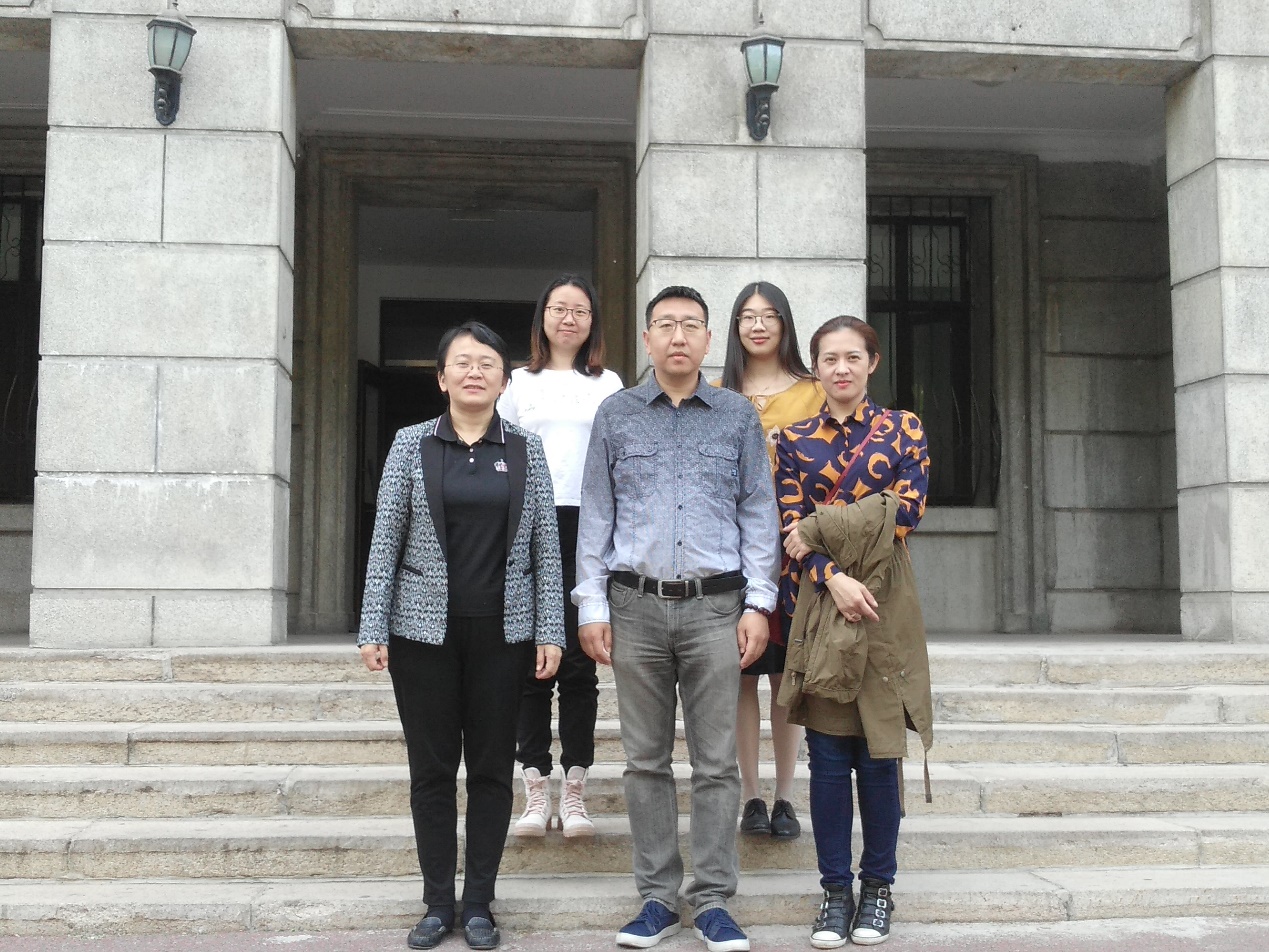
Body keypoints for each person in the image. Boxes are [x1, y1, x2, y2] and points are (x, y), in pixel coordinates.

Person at [575, 285, 780, 952]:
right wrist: (592, 605)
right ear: (647, 337)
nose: (678, 336)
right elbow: (596, 513)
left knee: (717, 763)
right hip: (633, 607)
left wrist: (759, 604)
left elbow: (758, 512)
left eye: (691, 324)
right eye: (665, 324)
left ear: (707, 338)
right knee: (645, 761)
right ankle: (657, 898)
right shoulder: (616, 414)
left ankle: (714, 899)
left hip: (716, 608)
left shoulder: (736, 415)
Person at [358, 321, 565, 951]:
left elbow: (545, 549)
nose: (475, 372)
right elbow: (385, 540)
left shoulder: (526, 449)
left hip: (504, 635)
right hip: (422, 635)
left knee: (492, 771)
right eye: (463, 363)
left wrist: (550, 629)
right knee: (431, 770)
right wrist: (373, 625)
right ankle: (436, 903)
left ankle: (478, 903)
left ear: (504, 381)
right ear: (442, 377)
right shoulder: (411, 444)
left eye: (487, 364)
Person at [773, 316, 933, 949]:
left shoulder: (904, 429)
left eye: (852, 358)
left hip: (886, 605)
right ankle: (835, 892)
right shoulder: (792, 439)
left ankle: (879, 889)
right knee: (830, 757)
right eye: (829, 359)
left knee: (879, 753)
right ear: (815, 367)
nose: (841, 368)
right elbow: (790, 531)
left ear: (873, 363)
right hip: (820, 605)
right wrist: (833, 575)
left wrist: (822, 528)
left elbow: (908, 510)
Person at [498, 274, 623, 838]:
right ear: (542, 317)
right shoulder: (517, 382)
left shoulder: (608, 384)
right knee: (532, 661)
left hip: (588, 526)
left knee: (577, 663)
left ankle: (574, 789)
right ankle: (534, 786)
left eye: (580, 310)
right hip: (528, 524)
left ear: (592, 321)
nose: (569, 319)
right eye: (558, 309)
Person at [716, 281, 823, 841]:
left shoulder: (815, 392)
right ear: (734, 328)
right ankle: (750, 796)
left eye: (769, 315)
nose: (758, 326)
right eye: (747, 317)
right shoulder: (715, 394)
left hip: (795, 550)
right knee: (739, 675)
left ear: (785, 323)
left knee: (785, 674)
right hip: (728, 550)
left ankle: (785, 795)